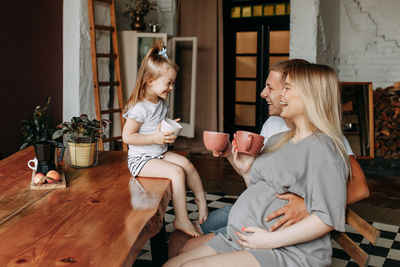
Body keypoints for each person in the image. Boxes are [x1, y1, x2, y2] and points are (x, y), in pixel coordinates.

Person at [168, 59, 369, 256]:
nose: (264, 94)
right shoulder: (276, 129)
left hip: (270, 226)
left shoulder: (324, 143)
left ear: (304, 93)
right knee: (181, 241)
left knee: (187, 249)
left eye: (273, 88)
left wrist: (308, 206)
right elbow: (261, 184)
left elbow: (353, 190)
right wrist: (233, 157)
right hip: (252, 212)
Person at [122, 41, 207, 237]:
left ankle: (201, 201)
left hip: (158, 154)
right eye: (168, 83)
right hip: (141, 161)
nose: (171, 87)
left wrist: (168, 124)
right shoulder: (140, 107)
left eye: (172, 83)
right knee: (177, 173)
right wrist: (155, 137)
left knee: (187, 164)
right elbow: (128, 137)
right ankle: (181, 219)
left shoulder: (160, 103)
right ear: (150, 80)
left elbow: (155, 125)